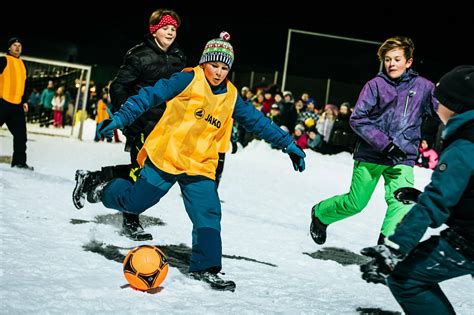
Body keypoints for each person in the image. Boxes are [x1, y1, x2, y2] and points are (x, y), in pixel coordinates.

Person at [77, 32, 306, 291]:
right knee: (135, 202)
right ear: (204, 63)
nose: (219, 72)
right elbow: (149, 95)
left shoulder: (231, 96)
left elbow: (257, 121)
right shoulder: (188, 78)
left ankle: (206, 268)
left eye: (224, 67)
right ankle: (98, 187)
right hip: (167, 157)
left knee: (208, 213)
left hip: (200, 165)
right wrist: (121, 118)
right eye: (214, 65)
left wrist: (288, 144)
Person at [360, 65, 474, 315]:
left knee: (405, 279)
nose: (434, 105)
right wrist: (421, 197)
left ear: (455, 105)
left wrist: (394, 248)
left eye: (438, 99)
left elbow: (436, 204)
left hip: (468, 242)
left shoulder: (465, 144)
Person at [310, 36, 438, 245]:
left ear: (409, 61)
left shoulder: (424, 87)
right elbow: (358, 118)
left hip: (402, 157)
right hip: (371, 155)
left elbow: (441, 110)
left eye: (397, 59)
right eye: (387, 59)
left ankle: (385, 247)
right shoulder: (375, 86)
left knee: (402, 202)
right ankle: (320, 214)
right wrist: (384, 144)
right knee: (356, 203)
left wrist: (454, 97)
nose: (391, 64)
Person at [72, 9, 187, 241]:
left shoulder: (179, 58)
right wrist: (127, 116)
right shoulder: (139, 55)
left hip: (165, 127)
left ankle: (92, 178)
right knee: (141, 172)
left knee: (150, 171)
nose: (170, 32)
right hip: (141, 123)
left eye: (173, 29)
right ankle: (131, 222)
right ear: (154, 30)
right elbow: (118, 87)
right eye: (165, 28)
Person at [0, 37, 33, 170]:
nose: (17, 47)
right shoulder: (3, 60)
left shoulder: (23, 64)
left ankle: (19, 162)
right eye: (14, 45)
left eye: (19, 45)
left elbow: (24, 85)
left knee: (21, 135)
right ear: (9, 48)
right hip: (2, 103)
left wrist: (24, 100)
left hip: (17, 106)